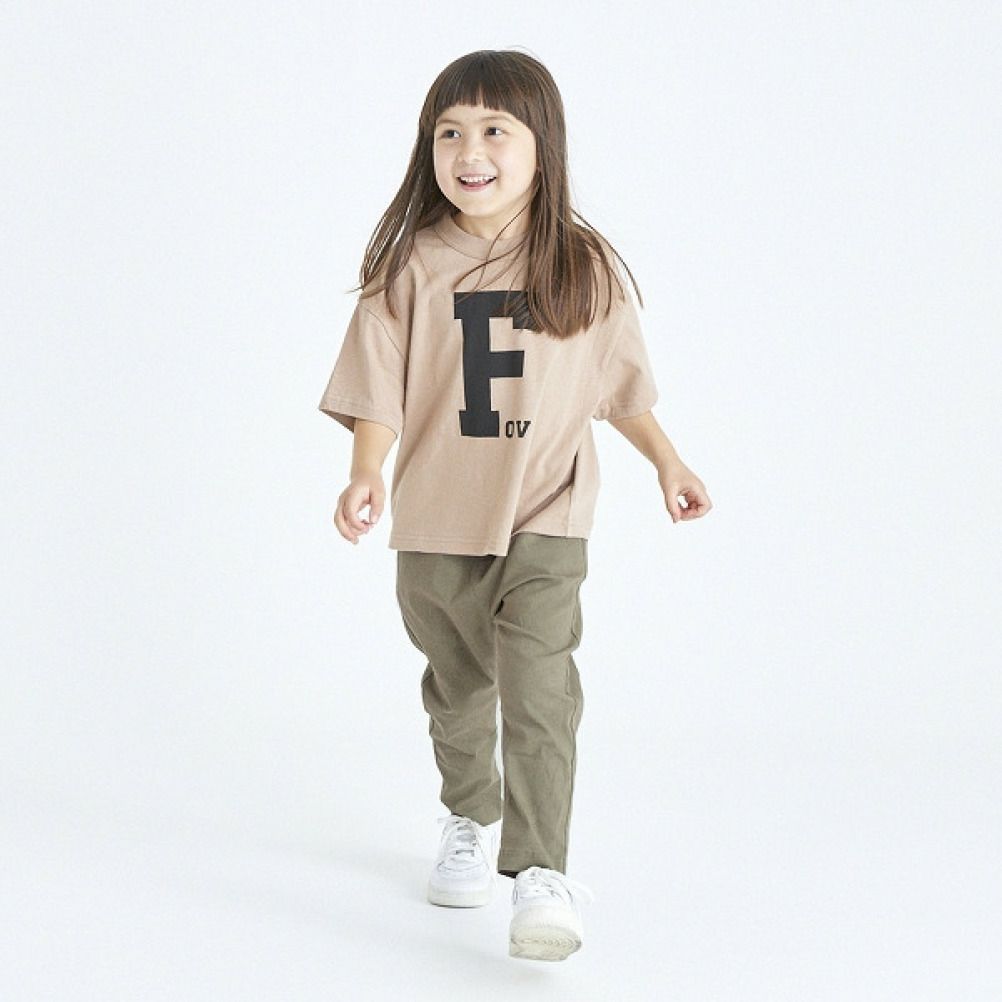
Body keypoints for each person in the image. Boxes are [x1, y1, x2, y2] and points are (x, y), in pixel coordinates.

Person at [317, 49, 712, 963]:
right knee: (458, 691)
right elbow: (376, 388)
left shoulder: (582, 264)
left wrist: (668, 462)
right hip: (438, 518)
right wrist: (366, 470)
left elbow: (618, 386)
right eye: (450, 132)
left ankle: (541, 872)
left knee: (541, 689)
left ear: (543, 145)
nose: (471, 151)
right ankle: (469, 815)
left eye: (496, 130)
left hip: (548, 510)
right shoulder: (409, 265)